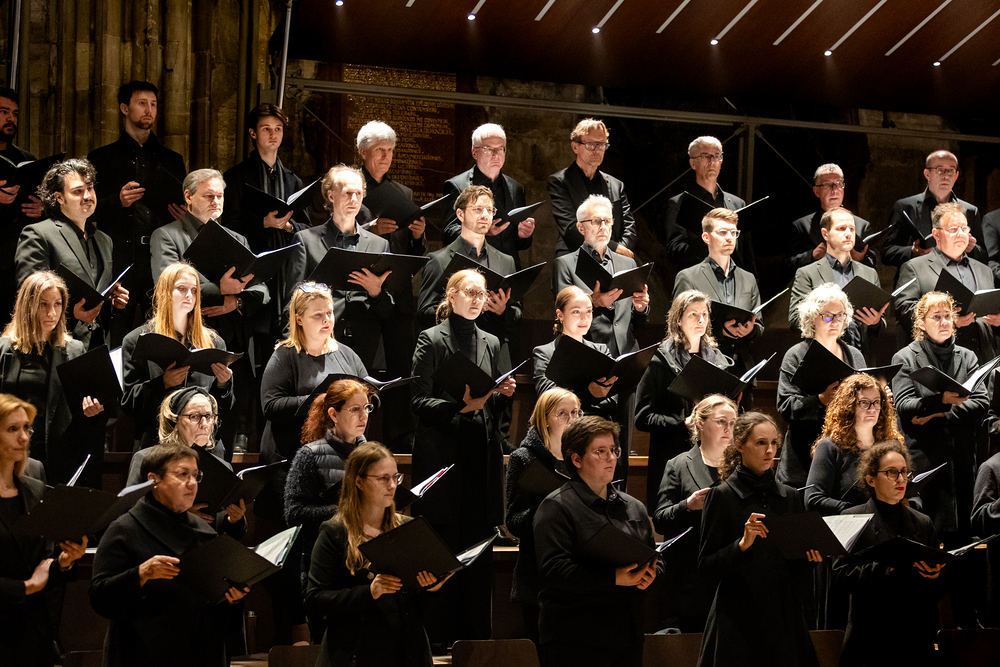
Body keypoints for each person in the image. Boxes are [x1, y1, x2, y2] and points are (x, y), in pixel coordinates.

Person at [410, 268, 515, 645]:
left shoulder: (491, 340)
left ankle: (474, 635)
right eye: (469, 292)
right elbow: (417, 399)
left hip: (478, 454)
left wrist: (502, 393)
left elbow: (491, 404)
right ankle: (437, 635)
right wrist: (459, 407)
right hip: (442, 453)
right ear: (451, 295)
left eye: (481, 294)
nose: (476, 299)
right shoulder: (431, 338)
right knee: (442, 542)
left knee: (477, 542)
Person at [89, 442, 248, 667]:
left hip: (200, 654)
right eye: (183, 474)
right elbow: (99, 598)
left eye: (195, 475)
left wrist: (233, 599)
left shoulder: (206, 533)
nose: (192, 483)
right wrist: (140, 574)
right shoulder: (125, 529)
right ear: (154, 480)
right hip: (142, 655)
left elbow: (218, 608)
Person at [150, 168, 269, 450]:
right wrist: (221, 289)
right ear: (188, 197)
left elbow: (261, 290)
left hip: (233, 338)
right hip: (189, 339)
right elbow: (165, 285)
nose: (216, 201)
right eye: (208, 196)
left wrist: (236, 302)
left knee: (227, 426)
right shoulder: (167, 235)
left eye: (220, 196)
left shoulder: (238, 238)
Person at [304, 442, 449, 667]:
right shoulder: (335, 532)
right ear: (359, 481)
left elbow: (416, 609)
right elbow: (315, 600)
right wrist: (369, 592)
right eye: (383, 478)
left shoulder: (408, 529)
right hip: (356, 654)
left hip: (406, 655)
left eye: (396, 477)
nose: (392, 485)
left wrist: (432, 589)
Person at [697, 412, 821, 667]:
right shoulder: (722, 496)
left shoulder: (789, 496)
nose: (770, 451)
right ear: (739, 445)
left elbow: (793, 565)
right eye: (761, 443)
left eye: (774, 443)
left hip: (782, 618)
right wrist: (741, 545)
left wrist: (810, 558)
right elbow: (705, 567)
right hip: (738, 618)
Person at [533, 417, 658, 667]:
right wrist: (613, 578)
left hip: (626, 635)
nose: (611, 458)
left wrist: (651, 574)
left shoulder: (633, 506)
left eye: (613, 450)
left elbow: (653, 554)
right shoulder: (556, 506)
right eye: (600, 451)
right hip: (575, 638)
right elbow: (554, 570)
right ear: (576, 459)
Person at [87, 81, 187, 345]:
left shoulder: (172, 159)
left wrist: (183, 216)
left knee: (165, 335)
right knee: (114, 337)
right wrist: (117, 201)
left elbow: (185, 209)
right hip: (119, 259)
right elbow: (86, 211)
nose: (149, 110)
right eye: (142, 103)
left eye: (153, 104)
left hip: (162, 258)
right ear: (124, 108)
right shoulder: (101, 158)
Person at [553, 194, 650, 461]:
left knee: (621, 448)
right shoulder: (566, 264)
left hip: (625, 361)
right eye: (596, 221)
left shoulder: (627, 263)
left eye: (607, 221)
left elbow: (635, 320)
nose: (604, 227)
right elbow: (564, 314)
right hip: (589, 363)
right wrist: (594, 302)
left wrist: (641, 307)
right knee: (588, 444)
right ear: (580, 227)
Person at [834, 441, 944, 665]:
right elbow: (841, 576)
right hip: (870, 640)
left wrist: (936, 575)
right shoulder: (853, 518)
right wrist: (888, 568)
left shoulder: (923, 522)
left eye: (904, 472)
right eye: (892, 472)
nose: (901, 479)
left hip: (915, 639)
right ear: (871, 479)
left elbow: (940, 585)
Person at [0, 394, 87, 667]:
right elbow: (34, 578)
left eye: (27, 428)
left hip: (33, 634)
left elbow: (44, 560)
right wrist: (26, 587)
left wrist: (64, 561)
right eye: (12, 429)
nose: (24, 437)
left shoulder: (35, 489)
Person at [892, 291, 987, 541]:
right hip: (925, 458)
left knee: (963, 536)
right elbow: (904, 405)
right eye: (936, 316)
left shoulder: (967, 356)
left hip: (962, 458)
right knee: (927, 533)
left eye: (947, 315)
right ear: (921, 323)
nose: (944, 321)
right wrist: (941, 400)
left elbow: (981, 402)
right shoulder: (905, 357)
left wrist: (940, 414)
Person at [0, 271, 107, 487]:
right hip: (10, 452)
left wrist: (92, 411)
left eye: (57, 304)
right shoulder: (3, 349)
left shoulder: (75, 350)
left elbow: (82, 414)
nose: (52, 313)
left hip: (57, 458)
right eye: (43, 305)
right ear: (27, 306)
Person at [283, 164, 394, 371]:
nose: (354, 199)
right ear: (331, 195)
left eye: (358, 193)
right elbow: (292, 302)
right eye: (347, 193)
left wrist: (376, 292)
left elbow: (388, 311)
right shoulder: (306, 241)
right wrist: (291, 350)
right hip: (317, 345)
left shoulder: (380, 245)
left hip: (364, 348)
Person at [356, 121, 425, 451]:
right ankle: (356, 434)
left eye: (390, 150)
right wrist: (369, 228)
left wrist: (417, 236)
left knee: (401, 363)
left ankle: (401, 435)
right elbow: (339, 232)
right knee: (361, 364)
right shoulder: (352, 188)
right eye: (379, 150)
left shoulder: (403, 194)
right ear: (363, 152)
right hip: (362, 288)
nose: (386, 156)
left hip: (397, 290)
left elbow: (414, 252)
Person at [220, 103, 312, 348]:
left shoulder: (293, 180)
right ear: (253, 133)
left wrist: (288, 226)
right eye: (266, 129)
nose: (273, 134)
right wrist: (263, 223)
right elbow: (228, 227)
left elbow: (307, 229)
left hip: (286, 269)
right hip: (253, 268)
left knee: (284, 337)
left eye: (278, 129)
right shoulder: (236, 177)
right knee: (253, 342)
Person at [15, 158, 129, 351]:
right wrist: (70, 314)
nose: (88, 196)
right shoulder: (38, 234)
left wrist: (113, 304)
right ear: (59, 197)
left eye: (90, 188)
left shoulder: (104, 240)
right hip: (56, 346)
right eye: (78, 191)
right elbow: (30, 296)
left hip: (98, 346)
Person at [121, 263, 234, 452]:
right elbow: (128, 403)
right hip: (158, 444)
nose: (189, 295)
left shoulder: (214, 342)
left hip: (203, 446)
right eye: (181, 289)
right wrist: (162, 384)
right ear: (165, 292)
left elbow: (224, 409)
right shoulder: (136, 340)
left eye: (194, 290)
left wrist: (223, 385)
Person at [285, 378, 373, 610]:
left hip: (365, 559)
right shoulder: (310, 455)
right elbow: (294, 513)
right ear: (334, 414)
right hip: (325, 561)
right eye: (355, 409)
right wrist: (342, 511)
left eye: (367, 408)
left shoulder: (371, 454)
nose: (363, 416)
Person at [636, 290, 731, 505]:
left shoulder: (718, 360)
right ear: (678, 320)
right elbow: (643, 418)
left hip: (712, 456)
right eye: (693, 314)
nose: (701, 320)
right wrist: (682, 422)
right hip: (672, 456)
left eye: (704, 314)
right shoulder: (660, 361)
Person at [652, 394, 736, 633]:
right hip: (691, 579)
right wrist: (687, 505)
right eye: (721, 422)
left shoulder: (741, 466)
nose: (728, 429)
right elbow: (660, 519)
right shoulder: (679, 465)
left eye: (732, 423)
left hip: (732, 575)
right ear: (700, 422)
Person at [504, 387, 579, 643]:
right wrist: (547, 507)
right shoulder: (523, 458)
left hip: (577, 571)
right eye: (562, 413)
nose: (571, 419)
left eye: (575, 412)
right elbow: (514, 521)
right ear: (544, 419)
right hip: (538, 573)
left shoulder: (581, 458)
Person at [416, 184, 520, 366]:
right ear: (460, 214)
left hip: (495, 355)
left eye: (489, 210)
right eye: (478, 209)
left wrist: (501, 310)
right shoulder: (439, 260)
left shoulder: (506, 261)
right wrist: (458, 306)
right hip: (454, 353)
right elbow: (424, 314)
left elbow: (517, 314)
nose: (485, 215)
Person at [672, 207, 763, 407]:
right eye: (722, 232)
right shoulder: (688, 277)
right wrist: (720, 330)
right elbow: (679, 325)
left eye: (733, 233)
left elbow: (760, 324)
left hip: (742, 370)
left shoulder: (748, 278)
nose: (729, 238)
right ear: (706, 237)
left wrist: (750, 329)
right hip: (705, 367)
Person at [777, 283, 865, 488]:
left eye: (840, 315)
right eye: (827, 316)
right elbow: (785, 406)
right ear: (812, 318)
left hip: (845, 454)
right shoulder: (796, 355)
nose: (835, 322)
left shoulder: (855, 355)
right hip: (804, 455)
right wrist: (819, 400)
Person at [893, 201, 999, 362]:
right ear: (936, 234)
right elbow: (903, 309)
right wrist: (947, 319)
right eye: (953, 229)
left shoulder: (984, 270)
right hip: (938, 357)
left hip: (982, 356)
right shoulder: (915, 267)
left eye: (964, 229)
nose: (960, 234)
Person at [788, 207, 885, 363]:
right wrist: (827, 318)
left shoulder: (869, 273)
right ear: (825, 234)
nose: (848, 233)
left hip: (860, 358)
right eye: (841, 228)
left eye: (852, 229)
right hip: (822, 358)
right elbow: (795, 319)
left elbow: (880, 325)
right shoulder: (807, 273)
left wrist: (875, 322)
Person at [531, 286, 619, 457]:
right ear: (560, 315)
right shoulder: (545, 352)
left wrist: (579, 396)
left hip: (598, 433)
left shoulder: (601, 350)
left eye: (589, 311)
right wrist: (590, 394)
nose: (584, 318)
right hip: (563, 437)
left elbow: (612, 400)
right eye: (576, 312)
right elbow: (548, 398)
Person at [805, 373, 901, 516]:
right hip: (849, 523)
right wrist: (857, 510)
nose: (872, 409)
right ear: (849, 406)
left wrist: (911, 503)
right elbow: (813, 499)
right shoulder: (830, 447)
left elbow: (912, 491)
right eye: (864, 402)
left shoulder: (892, 445)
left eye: (876, 402)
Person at [442, 123, 534, 268]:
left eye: (500, 149)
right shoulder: (457, 185)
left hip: (508, 269)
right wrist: (482, 231)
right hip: (472, 267)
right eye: (488, 149)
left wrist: (524, 235)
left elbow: (518, 244)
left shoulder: (516, 188)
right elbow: (449, 233)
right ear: (474, 152)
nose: (496, 155)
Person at [881, 149, 985, 274]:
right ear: (927, 174)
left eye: (950, 171)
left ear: (956, 176)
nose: (945, 176)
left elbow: (984, 257)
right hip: (919, 276)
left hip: (957, 278)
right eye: (940, 170)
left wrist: (972, 249)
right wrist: (913, 252)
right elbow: (887, 253)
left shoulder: (970, 210)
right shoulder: (906, 207)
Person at [663, 136, 755, 274]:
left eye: (716, 156)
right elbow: (675, 251)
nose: (712, 161)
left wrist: (754, 281)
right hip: (698, 279)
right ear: (693, 163)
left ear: (721, 161)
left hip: (733, 279)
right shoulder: (679, 203)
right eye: (705, 156)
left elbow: (746, 253)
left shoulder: (737, 203)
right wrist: (711, 242)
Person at [547, 118, 635, 258]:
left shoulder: (616, 185)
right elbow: (570, 229)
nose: (597, 150)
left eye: (601, 145)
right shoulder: (560, 181)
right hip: (576, 258)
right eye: (590, 145)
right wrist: (613, 249)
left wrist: (619, 255)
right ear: (575, 147)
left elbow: (629, 227)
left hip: (614, 261)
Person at [125, 387, 233, 487]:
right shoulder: (146, 460)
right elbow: (133, 501)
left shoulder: (223, 468)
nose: (204, 424)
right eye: (194, 416)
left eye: (208, 416)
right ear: (174, 421)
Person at [0, 88, 44, 320]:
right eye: (4, 112)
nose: (11, 118)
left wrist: (42, 209)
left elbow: (44, 202)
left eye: (15, 114)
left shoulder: (27, 160)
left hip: (20, 261)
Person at [784, 164, 876, 275]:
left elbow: (873, 265)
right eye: (827, 185)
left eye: (838, 184)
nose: (834, 190)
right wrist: (811, 255)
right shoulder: (801, 226)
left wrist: (861, 260)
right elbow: (787, 265)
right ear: (816, 191)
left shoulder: (862, 226)